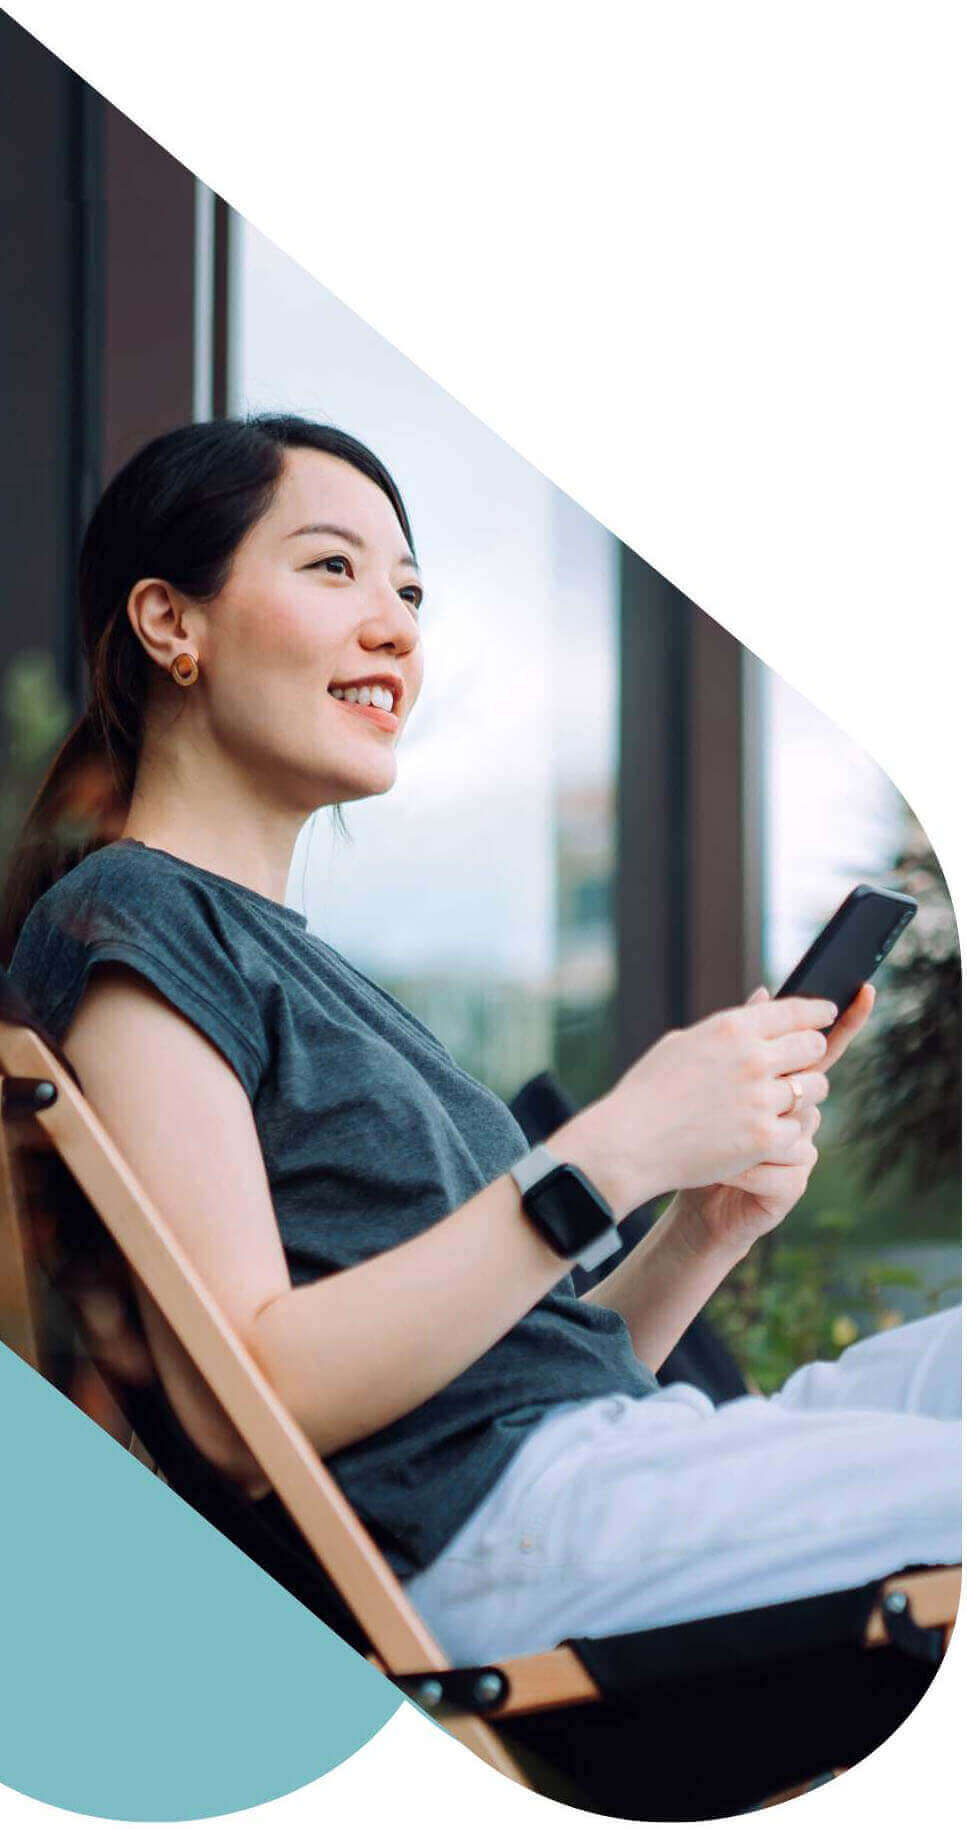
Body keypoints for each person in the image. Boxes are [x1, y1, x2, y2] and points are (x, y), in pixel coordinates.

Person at [3, 415, 959, 1666]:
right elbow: (247, 1404)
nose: (398, 627)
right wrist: (610, 1150)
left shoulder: (310, 973)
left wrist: (702, 1223)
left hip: (607, 1473)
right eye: (333, 566)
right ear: (169, 622)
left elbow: (533, 1375)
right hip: (502, 1538)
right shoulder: (136, 918)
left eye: (409, 591)